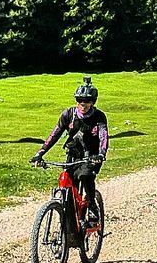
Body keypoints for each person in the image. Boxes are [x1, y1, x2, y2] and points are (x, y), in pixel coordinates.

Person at [32, 78, 109, 229]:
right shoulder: (68, 114)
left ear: (93, 102)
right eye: (79, 100)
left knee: (85, 175)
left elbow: (103, 137)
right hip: (73, 156)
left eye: (86, 101)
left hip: (91, 157)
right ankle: (68, 221)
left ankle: (92, 206)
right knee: (66, 181)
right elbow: (54, 135)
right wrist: (40, 153)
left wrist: (101, 154)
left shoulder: (99, 116)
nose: (83, 104)